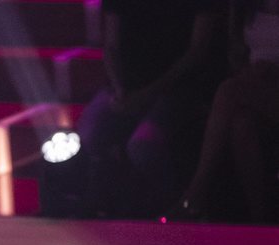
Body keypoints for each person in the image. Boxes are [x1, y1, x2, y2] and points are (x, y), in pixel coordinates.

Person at [75, 0, 228, 217]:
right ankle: (102, 209)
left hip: (179, 89)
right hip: (126, 86)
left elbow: (197, 52)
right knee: (88, 133)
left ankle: (170, 211)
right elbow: (110, 46)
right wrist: (120, 88)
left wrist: (148, 93)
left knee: (143, 146)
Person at [168, 0, 279, 222]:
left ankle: (195, 194)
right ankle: (261, 218)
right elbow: (237, 57)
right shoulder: (246, 7)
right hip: (255, 87)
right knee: (241, 124)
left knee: (227, 92)